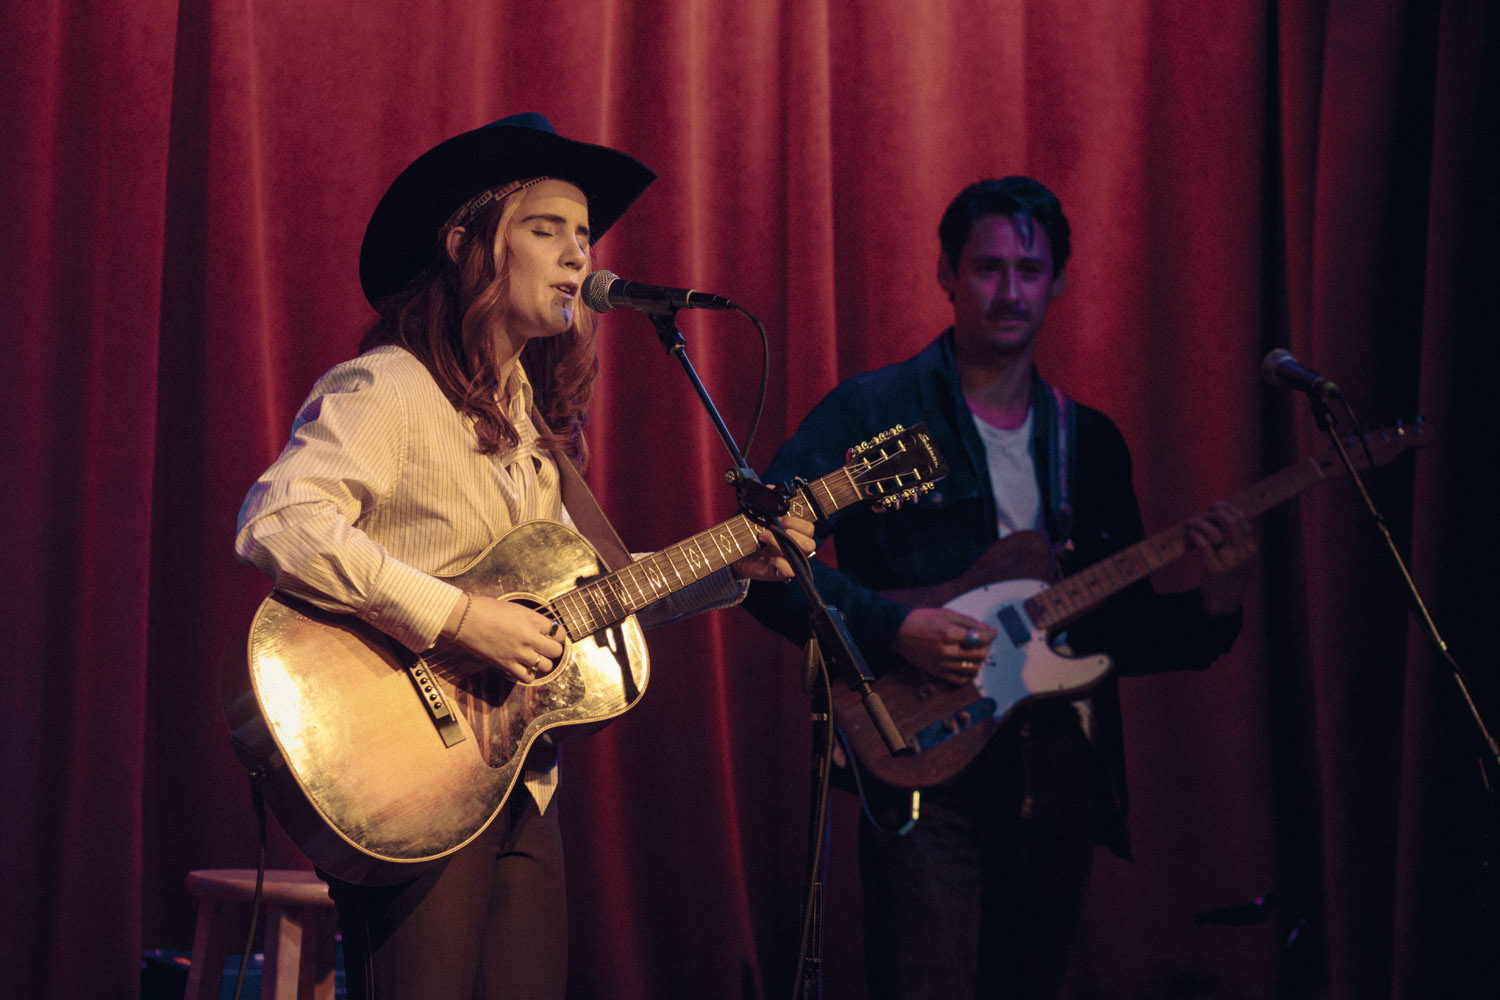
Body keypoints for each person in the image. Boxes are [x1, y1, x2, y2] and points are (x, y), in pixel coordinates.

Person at [234, 112, 815, 1000]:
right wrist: (459, 618)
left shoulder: (530, 427)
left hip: (519, 781)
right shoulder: (389, 386)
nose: (580, 254)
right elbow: (281, 520)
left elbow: (584, 596)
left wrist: (733, 565)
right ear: (467, 246)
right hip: (407, 774)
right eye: (548, 229)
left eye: (584, 235)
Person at [743, 176, 1257, 999]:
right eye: (988, 268)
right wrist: (892, 628)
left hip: (1059, 772)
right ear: (946, 274)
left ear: (1059, 282)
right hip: (925, 771)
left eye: (1029, 270)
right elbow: (765, 563)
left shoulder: (1089, 443)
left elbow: (1116, 632)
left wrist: (1217, 600)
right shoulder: (876, 411)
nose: (1010, 291)